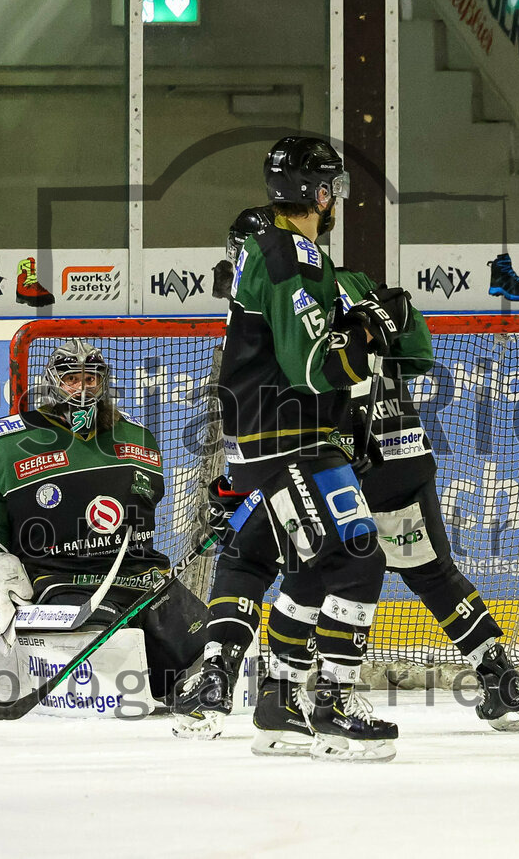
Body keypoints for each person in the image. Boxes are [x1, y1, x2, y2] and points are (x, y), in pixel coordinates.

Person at [174, 197, 519, 745]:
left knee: (288, 567)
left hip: (339, 454)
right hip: (403, 449)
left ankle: (269, 692)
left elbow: (296, 388)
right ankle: (502, 680)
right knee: (431, 572)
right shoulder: (355, 280)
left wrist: (238, 486)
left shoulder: (278, 289)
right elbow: (416, 352)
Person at [174, 136, 414, 763]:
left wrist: (361, 321)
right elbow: (312, 366)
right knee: (356, 557)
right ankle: (331, 705)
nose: (338, 200)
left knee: (308, 562)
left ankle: (277, 700)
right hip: (290, 438)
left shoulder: (287, 254)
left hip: (285, 437)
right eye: (333, 187)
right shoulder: (290, 255)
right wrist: (369, 329)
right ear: (320, 192)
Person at [0, 339, 206, 705]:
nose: (82, 387)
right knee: (106, 651)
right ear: (53, 381)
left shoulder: (137, 435)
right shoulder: (8, 441)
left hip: (142, 580)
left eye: (91, 378)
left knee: (205, 641)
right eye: (72, 377)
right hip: (61, 583)